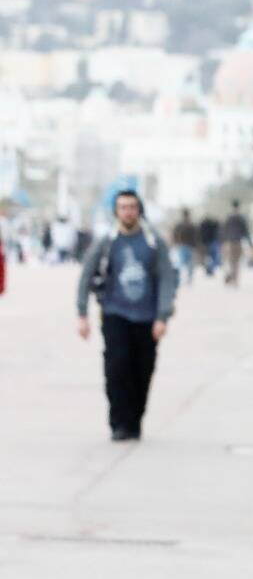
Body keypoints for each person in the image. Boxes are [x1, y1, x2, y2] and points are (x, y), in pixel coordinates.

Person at [75, 189, 178, 441]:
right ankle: (119, 423)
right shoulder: (107, 242)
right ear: (116, 211)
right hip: (115, 314)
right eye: (123, 207)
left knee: (142, 371)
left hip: (147, 317)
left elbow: (167, 278)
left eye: (132, 207)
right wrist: (82, 314)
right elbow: (86, 276)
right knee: (117, 368)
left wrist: (162, 316)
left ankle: (134, 421)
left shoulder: (153, 242)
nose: (128, 212)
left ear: (139, 210)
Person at [221, 201, 249, 286]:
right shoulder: (241, 218)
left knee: (231, 261)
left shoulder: (229, 218)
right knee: (236, 261)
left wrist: (223, 241)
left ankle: (232, 277)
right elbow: (245, 231)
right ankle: (235, 279)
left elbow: (224, 230)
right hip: (238, 242)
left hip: (230, 242)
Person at [171, 208, 200, 282]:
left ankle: (179, 278)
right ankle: (187, 278)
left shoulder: (180, 225)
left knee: (182, 263)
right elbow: (196, 236)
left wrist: (175, 243)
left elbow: (175, 234)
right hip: (188, 246)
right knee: (188, 263)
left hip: (183, 246)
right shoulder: (191, 225)